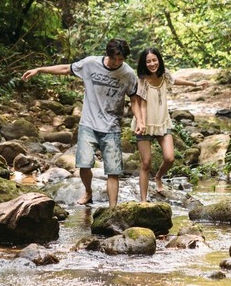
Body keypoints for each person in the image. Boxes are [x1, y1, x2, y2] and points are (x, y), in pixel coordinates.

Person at [22, 39, 143, 208]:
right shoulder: (90, 64)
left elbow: (134, 98)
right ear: (107, 54)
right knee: (84, 165)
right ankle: (88, 191)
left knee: (113, 171)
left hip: (112, 126)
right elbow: (66, 68)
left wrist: (140, 120)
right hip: (88, 124)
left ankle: (113, 208)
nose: (117, 63)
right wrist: (39, 69)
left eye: (120, 59)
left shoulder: (128, 74)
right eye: (114, 58)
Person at [132, 47, 208, 202]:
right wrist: (142, 123)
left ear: (159, 60)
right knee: (146, 163)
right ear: (143, 63)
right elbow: (142, 104)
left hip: (162, 122)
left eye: (154, 60)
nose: (152, 64)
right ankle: (143, 201)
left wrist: (195, 84)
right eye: (148, 61)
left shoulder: (164, 75)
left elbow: (176, 81)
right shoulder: (142, 81)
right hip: (145, 124)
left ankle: (158, 177)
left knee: (170, 158)